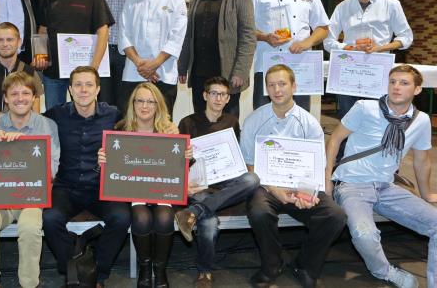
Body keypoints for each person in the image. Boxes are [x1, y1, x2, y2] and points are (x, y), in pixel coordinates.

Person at [325, 65, 437, 288]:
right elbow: (335, 139)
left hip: (387, 186)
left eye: (404, 83)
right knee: (364, 234)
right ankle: (384, 271)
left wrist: (426, 195)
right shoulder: (365, 108)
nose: (396, 87)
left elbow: (421, 160)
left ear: (417, 90)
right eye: (393, 81)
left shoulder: (421, 120)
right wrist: (327, 180)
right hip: (352, 184)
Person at [240, 64, 346, 288]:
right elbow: (249, 165)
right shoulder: (254, 121)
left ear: (294, 86)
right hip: (266, 186)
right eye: (271, 85)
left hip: (301, 186)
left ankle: (305, 265)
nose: (277, 89)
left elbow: (316, 166)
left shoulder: (309, 123)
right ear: (266, 89)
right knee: (259, 211)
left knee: (334, 215)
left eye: (282, 84)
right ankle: (272, 265)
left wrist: (306, 192)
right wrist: (272, 188)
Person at [42, 66, 130, 286]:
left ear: (98, 89)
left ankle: (97, 271)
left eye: (89, 84)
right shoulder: (56, 114)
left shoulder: (113, 115)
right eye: (78, 85)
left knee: (121, 218)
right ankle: (74, 268)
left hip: (102, 187)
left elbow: (139, 135)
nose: (83, 90)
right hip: (66, 186)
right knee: (50, 219)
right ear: (70, 89)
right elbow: (25, 121)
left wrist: (169, 132)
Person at [98, 82, 191, 287]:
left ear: (158, 105)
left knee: (165, 219)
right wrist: (104, 161)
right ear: (132, 104)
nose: (145, 106)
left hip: (162, 191)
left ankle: (160, 270)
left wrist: (187, 157)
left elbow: (178, 168)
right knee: (141, 218)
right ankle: (145, 269)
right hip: (135, 190)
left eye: (150, 101)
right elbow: (113, 171)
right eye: (140, 100)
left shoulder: (169, 131)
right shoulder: (120, 131)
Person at [0, 71, 60, 288]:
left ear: (33, 97)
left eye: (25, 93)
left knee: (30, 229)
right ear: (5, 98)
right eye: (14, 94)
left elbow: (52, 169)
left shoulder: (48, 126)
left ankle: (29, 283)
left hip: (30, 197)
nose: (20, 98)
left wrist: (24, 146)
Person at [174, 76, 260, 287]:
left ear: (228, 98)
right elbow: (177, 160)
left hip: (224, 179)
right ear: (205, 95)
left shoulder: (232, 122)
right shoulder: (187, 122)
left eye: (223, 94)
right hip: (199, 183)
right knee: (210, 224)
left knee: (252, 178)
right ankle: (205, 273)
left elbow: (235, 157)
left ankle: (193, 212)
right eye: (214, 93)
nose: (218, 98)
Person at [323, 0, 413, 119]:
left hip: (378, 70)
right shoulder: (342, 7)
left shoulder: (391, 4)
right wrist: (348, 48)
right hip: (348, 70)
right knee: (347, 119)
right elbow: (328, 41)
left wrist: (380, 47)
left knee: (377, 119)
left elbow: (406, 38)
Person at [250, 0, 329, 111]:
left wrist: (307, 42)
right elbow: (246, 29)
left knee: (300, 115)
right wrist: (265, 37)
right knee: (263, 114)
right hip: (267, 64)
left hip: (300, 64)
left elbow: (323, 27)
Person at [178, 0, 256, 117]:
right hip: (199, 73)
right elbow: (188, 37)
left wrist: (241, 71)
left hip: (227, 73)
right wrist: (182, 67)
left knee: (228, 120)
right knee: (200, 118)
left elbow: (248, 38)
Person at [36, 0, 114, 110]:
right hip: (53, 72)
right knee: (53, 116)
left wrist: (94, 67)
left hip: (83, 73)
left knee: (85, 115)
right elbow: (42, 31)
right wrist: (41, 56)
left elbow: (103, 32)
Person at [119, 0, 187, 114]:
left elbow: (176, 39)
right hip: (134, 73)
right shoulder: (132, 1)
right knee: (131, 124)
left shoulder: (176, 0)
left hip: (164, 73)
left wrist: (154, 65)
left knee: (162, 125)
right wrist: (140, 65)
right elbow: (124, 36)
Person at [86, 0, 142, 106]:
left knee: (126, 101)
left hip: (127, 53)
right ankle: (104, 131)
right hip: (100, 53)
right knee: (103, 101)